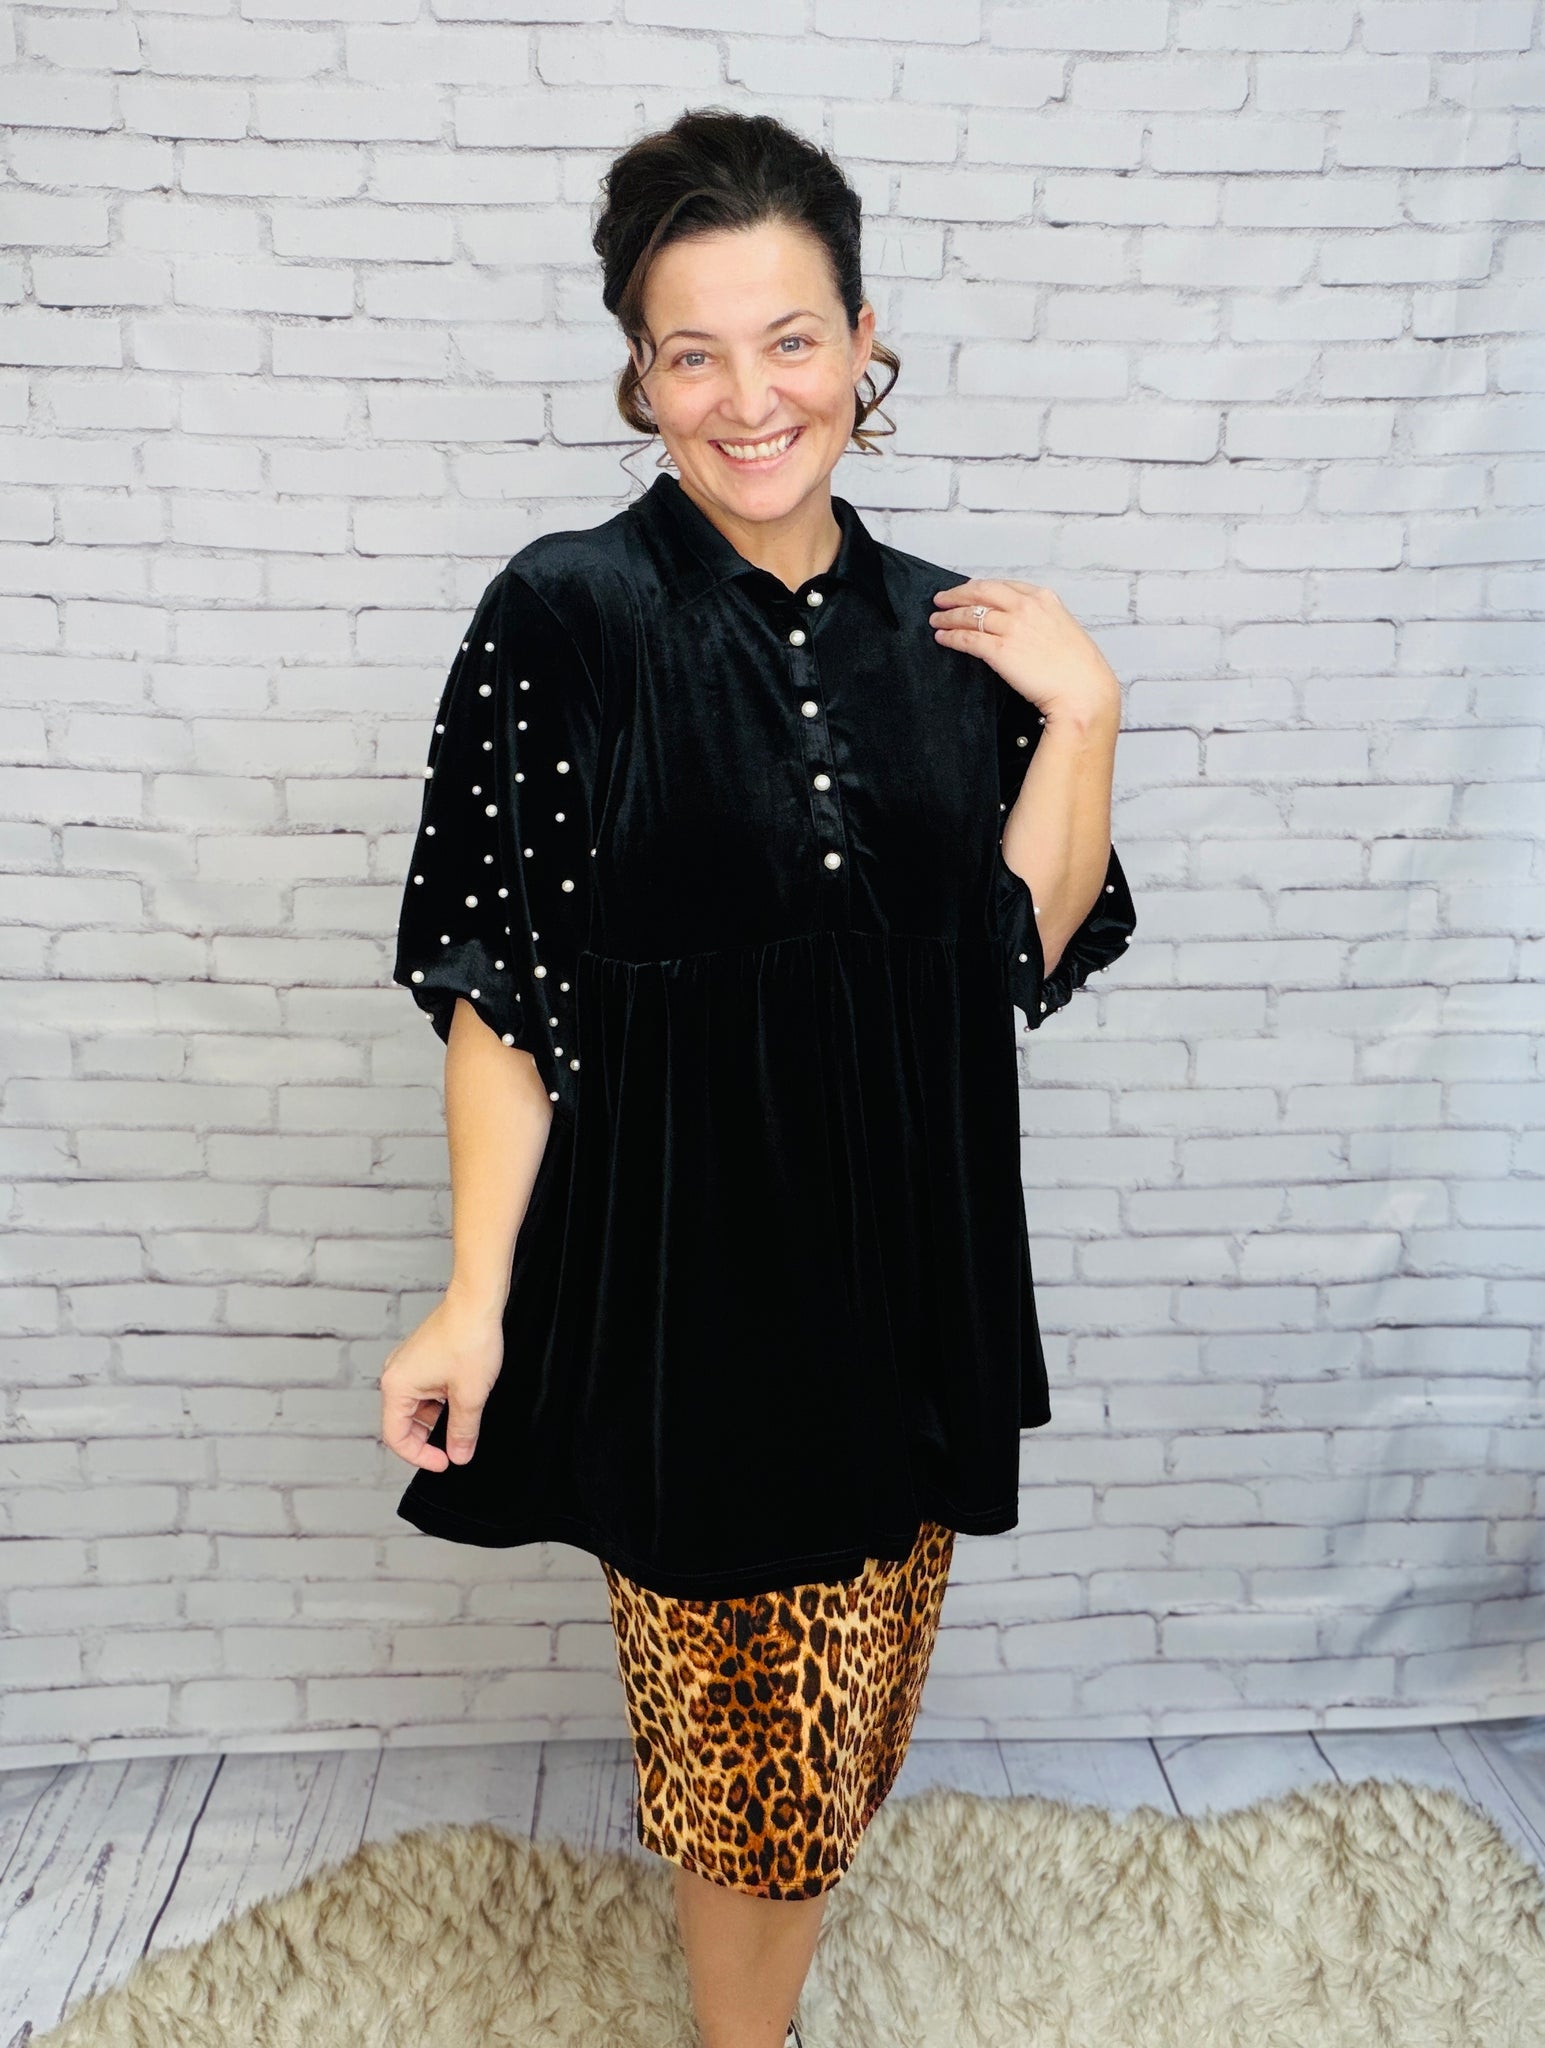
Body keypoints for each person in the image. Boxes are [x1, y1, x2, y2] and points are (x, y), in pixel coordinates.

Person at [379, 106, 1135, 2048]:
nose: (746, 398)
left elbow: (1013, 955)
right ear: (638, 371)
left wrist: (1083, 716)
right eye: (691, 352)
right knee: (761, 1779)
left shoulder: (948, 635)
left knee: (844, 1735)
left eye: (789, 340)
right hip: (689, 1310)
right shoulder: (565, 615)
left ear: (861, 343)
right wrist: (470, 1297)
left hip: (907, 1286)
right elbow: (505, 994)